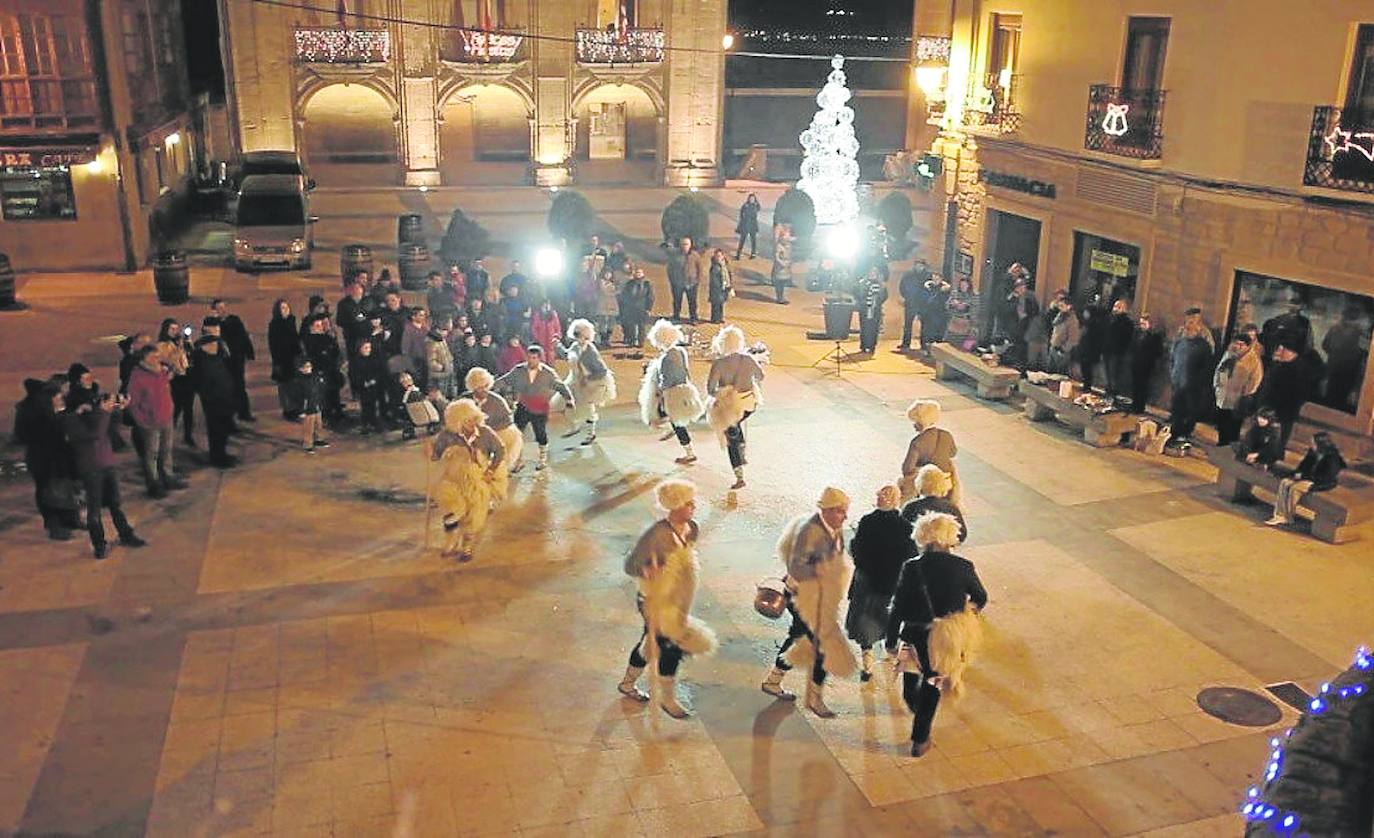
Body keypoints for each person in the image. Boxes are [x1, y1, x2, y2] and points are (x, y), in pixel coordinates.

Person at [886, 512, 988, 757]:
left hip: (914, 634)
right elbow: (980, 597)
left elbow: (898, 606)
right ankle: (920, 739)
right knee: (933, 683)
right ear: (950, 536)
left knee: (910, 679)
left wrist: (890, 640)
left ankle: (913, 703)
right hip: (945, 639)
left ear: (922, 536)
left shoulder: (911, 567)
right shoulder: (963, 567)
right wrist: (963, 614)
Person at [618, 479, 718, 718]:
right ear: (675, 506)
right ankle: (668, 699)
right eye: (689, 503)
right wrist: (646, 570)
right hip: (654, 601)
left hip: (677, 600)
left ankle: (627, 683)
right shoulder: (656, 534)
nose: (694, 507)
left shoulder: (692, 527)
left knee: (649, 644)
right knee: (670, 647)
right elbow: (630, 564)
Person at [761, 487, 858, 718]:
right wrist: (821, 572)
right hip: (804, 598)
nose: (845, 516)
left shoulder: (833, 528)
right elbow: (797, 567)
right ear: (826, 510)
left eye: (845, 511)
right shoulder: (810, 532)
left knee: (798, 638)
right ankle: (815, 699)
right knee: (823, 646)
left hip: (819, 598)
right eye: (840, 511)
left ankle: (773, 681)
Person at [845, 485, 917, 683]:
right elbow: (912, 556)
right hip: (891, 584)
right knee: (887, 618)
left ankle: (867, 665)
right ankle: (890, 652)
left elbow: (856, 550)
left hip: (866, 582)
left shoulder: (867, 521)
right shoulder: (905, 527)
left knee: (863, 622)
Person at [65, 389, 147, 559]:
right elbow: (96, 434)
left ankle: (126, 534)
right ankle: (99, 545)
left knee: (115, 504)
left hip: (108, 464)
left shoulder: (96, 415)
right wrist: (103, 412)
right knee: (94, 511)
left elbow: (112, 429)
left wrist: (119, 409)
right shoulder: (71, 420)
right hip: (91, 469)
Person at [427, 399, 505, 562]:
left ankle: (466, 546)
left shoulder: (485, 433)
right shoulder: (447, 436)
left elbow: (499, 450)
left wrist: (491, 470)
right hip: (453, 479)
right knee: (453, 511)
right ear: (457, 422)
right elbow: (435, 456)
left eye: (473, 418)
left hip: (477, 480)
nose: (471, 423)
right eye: (466, 420)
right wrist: (430, 452)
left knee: (474, 515)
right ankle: (451, 539)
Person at [13, 378, 82, 540]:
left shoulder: (33, 408)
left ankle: (69, 520)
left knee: (63, 487)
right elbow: (35, 434)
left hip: (51, 457)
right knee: (49, 491)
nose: (60, 397)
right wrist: (59, 416)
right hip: (44, 458)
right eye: (57, 395)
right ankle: (55, 525)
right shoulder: (36, 410)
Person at [494, 345, 574, 472]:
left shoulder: (548, 373)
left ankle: (542, 459)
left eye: (534, 358)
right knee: (517, 434)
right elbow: (505, 380)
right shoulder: (519, 370)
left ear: (540, 359)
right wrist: (490, 386)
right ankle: (518, 460)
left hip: (540, 408)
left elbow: (560, 386)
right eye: (529, 357)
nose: (531, 360)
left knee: (540, 434)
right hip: (523, 405)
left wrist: (569, 399)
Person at [706, 325, 766, 490]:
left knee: (730, 433)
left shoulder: (718, 364)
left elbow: (710, 390)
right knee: (737, 424)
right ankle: (742, 450)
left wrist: (725, 392)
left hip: (730, 407)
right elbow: (761, 376)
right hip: (749, 404)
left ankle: (739, 475)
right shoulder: (748, 359)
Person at [639, 319, 705, 466]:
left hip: (672, 393)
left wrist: (660, 392)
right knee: (676, 419)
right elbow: (686, 371)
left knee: (674, 421)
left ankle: (689, 452)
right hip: (684, 389)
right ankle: (677, 436)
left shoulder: (665, 358)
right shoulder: (681, 352)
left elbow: (665, 379)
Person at [125, 345, 183, 497]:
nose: (158, 359)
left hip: (166, 418)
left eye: (159, 356)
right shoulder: (138, 377)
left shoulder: (161, 370)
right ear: (145, 359)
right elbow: (133, 403)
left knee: (167, 450)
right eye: (154, 357)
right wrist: (142, 421)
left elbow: (171, 378)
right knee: (151, 455)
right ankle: (154, 484)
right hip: (150, 424)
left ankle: (168, 477)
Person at [1266, 432, 1346, 527]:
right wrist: (1297, 474)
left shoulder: (1332, 458)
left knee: (1295, 488)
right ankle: (1279, 514)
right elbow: (1303, 466)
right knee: (1285, 482)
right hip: (1307, 477)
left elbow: (1324, 477)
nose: (1311, 444)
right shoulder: (1312, 453)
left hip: (1320, 482)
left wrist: (1304, 477)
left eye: (1313, 443)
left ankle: (1288, 516)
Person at [559, 318, 617, 445]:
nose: (579, 338)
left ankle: (591, 433)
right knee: (567, 403)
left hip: (591, 382)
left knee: (587, 407)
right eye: (577, 335)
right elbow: (568, 355)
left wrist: (587, 379)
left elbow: (602, 371)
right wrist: (558, 346)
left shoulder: (590, 351)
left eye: (581, 336)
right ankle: (575, 427)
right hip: (575, 380)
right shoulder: (575, 346)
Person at [465, 366, 520, 489]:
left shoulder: (497, 401)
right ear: (473, 387)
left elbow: (508, 421)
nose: (483, 390)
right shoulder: (464, 400)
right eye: (479, 387)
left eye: (486, 386)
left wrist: (489, 431)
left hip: (494, 434)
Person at [1168, 309, 1216, 448]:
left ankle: (1185, 434)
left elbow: (1206, 368)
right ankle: (1175, 433)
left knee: (1189, 412)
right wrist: (1173, 374)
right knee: (1176, 410)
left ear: (1198, 326)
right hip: (1178, 382)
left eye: (1192, 323)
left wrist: (1197, 383)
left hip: (1193, 386)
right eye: (1187, 323)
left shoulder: (1203, 346)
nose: (1188, 326)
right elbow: (1172, 359)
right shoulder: (1180, 342)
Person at [191, 328, 238, 468]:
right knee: (216, 431)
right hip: (213, 403)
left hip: (225, 400)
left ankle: (222, 454)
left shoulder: (218, 357)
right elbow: (199, 384)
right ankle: (217, 457)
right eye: (213, 344)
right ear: (206, 346)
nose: (215, 346)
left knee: (223, 431)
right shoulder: (201, 361)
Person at [900, 400, 959, 505]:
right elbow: (953, 453)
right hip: (947, 481)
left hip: (927, 483)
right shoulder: (946, 435)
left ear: (920, 422)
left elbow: (907, 469)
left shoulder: (917, 441)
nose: (913, 425)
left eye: (914, 421)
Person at [1259, 340, 1315, 450]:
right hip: (1269, 406)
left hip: (1284, 410)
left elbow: (1302, 393)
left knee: (1278, 436)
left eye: (1283, 349)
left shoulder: (1299, 369)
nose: (1279, 351)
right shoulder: (1278, 364)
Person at [1213, 333, 1264, 446]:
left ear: (1248, 346)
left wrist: (1246, 392)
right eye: (1237, 343)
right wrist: (1218, 385)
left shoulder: (1253, 360)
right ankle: (1222, 440)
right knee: (1222, 418)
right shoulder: (1229, 354)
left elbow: (1255, 379)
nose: (1238, 347)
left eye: (1242, 345)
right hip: (1224, 393)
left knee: (1234, 421)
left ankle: (1231, 442)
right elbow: (1220, 369)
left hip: (1238, 396)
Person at [212, 299, 256, 423]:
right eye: (219, 308)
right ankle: (230, 417)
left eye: (223, 307)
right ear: (214, 310)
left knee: (240, 386)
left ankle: (244, 413)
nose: (222, 310)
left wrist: (249, 352)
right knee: (228, 389)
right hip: (225, 362)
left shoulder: (235, 320)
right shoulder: (214, 324)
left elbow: (243, 336)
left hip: (237, 359)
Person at [900, 465, 967, 543]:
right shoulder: (950, 507)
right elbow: (962, 534)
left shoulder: (911, 507)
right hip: (943, 550)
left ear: (919, 483)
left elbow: (901, 532)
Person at [158, 319, 196, 447]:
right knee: (175, 409)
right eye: (172, 329)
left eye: (176, 329)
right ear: (165, 330)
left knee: (188, 410)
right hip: (175, 379)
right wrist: (180, 348)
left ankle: (188, 435)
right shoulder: (162, 345)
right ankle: (167, 435)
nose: (175, 332)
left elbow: (191, 356)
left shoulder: (181, 341)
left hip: (188, 377)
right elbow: (169, 361)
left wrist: (189, 344)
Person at [1321, 307, 1367, 411]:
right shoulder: (1359, 334)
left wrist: (1334, 355)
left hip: (1333, 368)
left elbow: (1325, 345)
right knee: (1342, 400)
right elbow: (1364, 355)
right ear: (1356, 319)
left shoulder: (1334, 329)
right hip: (1350, 371)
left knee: (1330, 397)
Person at [301, 315, 344, 423]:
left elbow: (335, 350)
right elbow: (312, 355)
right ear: (311, 327)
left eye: (321, 326)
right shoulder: (308, 340)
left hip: (331, 368)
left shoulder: (327, 337)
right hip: (319, 370)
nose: (320, 328)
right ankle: (326, 413)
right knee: (324, 394)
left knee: (334, 391)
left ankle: (337, 410)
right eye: (317, 326)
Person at [996, 276, 1039, 368]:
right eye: (1020, 287)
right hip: (1012, 327)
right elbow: (1004, 311)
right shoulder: (1010, 298)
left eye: (1024, 287)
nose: (1022, 289)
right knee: (1010, 347)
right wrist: (1015, 300)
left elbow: (1035, 311)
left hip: (1025, 327)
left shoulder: (1030, 298)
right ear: (1016, 288)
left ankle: (1019, 366)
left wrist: (1027, 314)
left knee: (1022, 349)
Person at [268, 299, 302, 418]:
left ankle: (295, 407)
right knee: (284, 386)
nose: (286, 310)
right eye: (283, 308)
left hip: (293, 358)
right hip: (282, 360)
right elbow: (273, 345)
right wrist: (277, 363)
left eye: (287, 307)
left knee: (294, 384)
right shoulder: (274, 325)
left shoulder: (291, 320)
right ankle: (288, 409)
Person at [1130, 313, 1165, 414]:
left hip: (1146, 365)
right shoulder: (1137, 334)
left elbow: (1158, 352)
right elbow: (1133, 346)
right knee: (1135, 385)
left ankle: (1139, 407)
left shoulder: (1154, 337)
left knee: (1143, 387)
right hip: (1136, 363)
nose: (1142, 326)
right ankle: (1134, 404)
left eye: (1144, 324)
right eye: (1141, 323)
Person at [350, 339, 386, 435]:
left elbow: (379, 371)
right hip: (363, 387)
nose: (368, 350)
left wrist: (374, 380)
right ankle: (366, 423)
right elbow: (354, 375)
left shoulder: (374, 359)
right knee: (366, 406)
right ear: (360, 349)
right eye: (366, 348)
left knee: (375, 405)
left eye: (369, 347)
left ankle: (375, 422)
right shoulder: (356, 361)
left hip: (375, 386)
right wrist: (363, 383)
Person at [897, 260, 932, 352]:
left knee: (924, 325)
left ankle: (924, 344)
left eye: (921, 265)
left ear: (924, 266)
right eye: (917, 265)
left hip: (923, 304)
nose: (919, 267)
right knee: (907, 324)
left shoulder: (928, 276)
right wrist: (907, 296)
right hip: (910, 302)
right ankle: (905, 344)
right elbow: (902, 286)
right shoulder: (908, 275)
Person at [666, 236, 704, 324]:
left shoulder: (695, 255)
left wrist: (697, 280)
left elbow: (700, 269)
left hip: (691, 284)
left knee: (692, 302)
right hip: (678, 284)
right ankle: (676, 317)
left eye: (686, 244)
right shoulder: (675, 255)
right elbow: (669, 269)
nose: (684, 246)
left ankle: (693, 318)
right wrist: (673, 281)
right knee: (676, 301)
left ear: (690, 245)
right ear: (680, 245)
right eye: (683, 244)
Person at [1103, 299, 1136, 397]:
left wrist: (1121, 349)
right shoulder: (1110, 318)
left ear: (1124, 309)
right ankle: (1108, 391)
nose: (1115, 309)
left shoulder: (1127, 322)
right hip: (1107, 350)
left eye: (1119, 307)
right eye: (1115, 306)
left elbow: (1126, 338)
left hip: (1117, 352)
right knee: (1107, 373)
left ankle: (1112, 394)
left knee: (1114, 374)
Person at [618, 266, 655, 348]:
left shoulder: (647, 284)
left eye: (639, 273)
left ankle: (641, 342)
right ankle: (632, 341)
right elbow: (625, 296)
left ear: (642, 274)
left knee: (642, 326)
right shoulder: (629, 283)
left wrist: (649, 308)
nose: (638, 274)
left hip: (642, 308)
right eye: (636, 272)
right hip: (631, 308)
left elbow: (651, 297)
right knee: (631, 325)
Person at [854, 268, 888, 355]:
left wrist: (877, 303)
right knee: (864, 327)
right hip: (864, 309)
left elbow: (885, 296)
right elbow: (857, 294)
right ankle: (864, 346)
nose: (872, 275)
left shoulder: (881, 285)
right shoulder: (862, 283)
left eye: (874, 273)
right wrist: (863, 301)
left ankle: (872, 346)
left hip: (875, 310)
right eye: (871, 273)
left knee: (874, 329)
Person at [1048, 295, 1081, 376]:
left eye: (1062, 306)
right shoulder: (1060, 315)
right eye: (1059, 306)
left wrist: (1063, 350)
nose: (1060, 308)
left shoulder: (1072, 320)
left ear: (1069, 306)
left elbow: (1073, 339)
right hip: (1053, 347)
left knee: (1059, 374)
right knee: (1050, 372)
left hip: (1062, 351)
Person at [918, 274, 951, 352]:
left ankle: (936, 351)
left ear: (941, 279)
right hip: (927, 313)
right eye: (934, 278)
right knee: (926, 332)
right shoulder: (926, 288)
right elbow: (921, 300)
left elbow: (946, 301)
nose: (935, 280)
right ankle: (925, 349)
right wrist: (920, 312)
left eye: (937, 278)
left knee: (938, 333)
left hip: (939, 314)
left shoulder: (945, 290)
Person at [594, 269, 620, 345]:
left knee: (611, 321)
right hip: (602, 303)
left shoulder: (614, 282)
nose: (608, 275)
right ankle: (602, 338)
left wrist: (615, 291)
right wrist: (614, 292)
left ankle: (607, 338)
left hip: (612, 304)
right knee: (602, 321)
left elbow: (619, 290)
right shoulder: (601, 282)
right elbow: (604, 291)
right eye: (606, 273)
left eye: (609, 274)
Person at [770, 224, 794, 304]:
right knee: (779, 284)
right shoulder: (779, 246)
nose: (788, 237)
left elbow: (790, 255)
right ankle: (779, 298)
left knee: (783, 284)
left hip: (785, 269)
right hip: (780, 269)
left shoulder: (788, 245)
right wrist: (782, 263)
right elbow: (776, 257)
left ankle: (781, 297)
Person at [707, 249, 732, 325]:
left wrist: (729, 286)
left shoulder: (725, 265)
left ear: (722, 256)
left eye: (719, 256)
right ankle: (714, 318)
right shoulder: (714, 266)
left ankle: (720, 317)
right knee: (715, 304)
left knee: (721, 303)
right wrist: (718, 286)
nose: (718, 258)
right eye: (716, 256)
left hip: (724, 288)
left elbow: (729, 274)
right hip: (716, 289)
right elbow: (713, 279)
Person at [735, 193, 761, 259]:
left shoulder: (756, 205)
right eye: (750, 198)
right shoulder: (745, 205)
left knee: (753, 240)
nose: (751, 200)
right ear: (748, 199)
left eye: (753, 198)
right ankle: (738, 253)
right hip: (745, 224)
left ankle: (753, 253)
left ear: (755, 199)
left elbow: (758, 209)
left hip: (753, 225)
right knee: (742, 239)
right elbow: (741, 214)